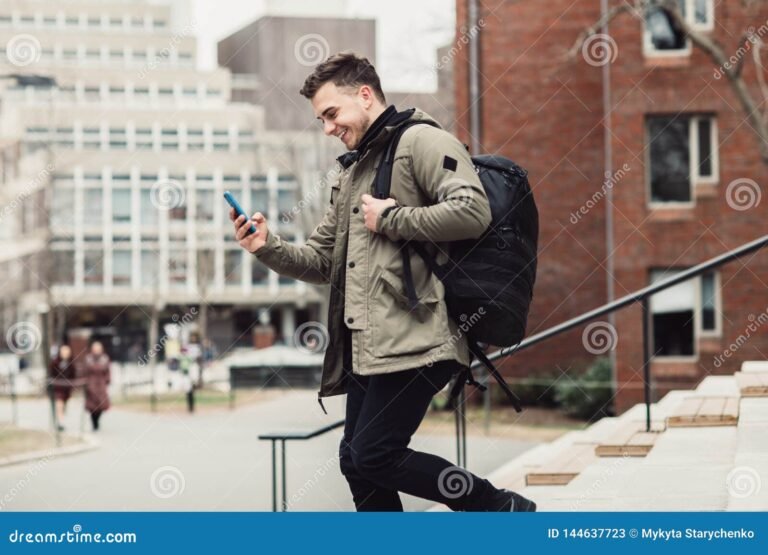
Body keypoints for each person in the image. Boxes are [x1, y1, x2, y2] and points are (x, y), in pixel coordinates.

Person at [230, 52, 536, 512]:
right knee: (356, 461)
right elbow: (321, 261)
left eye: (331, 113)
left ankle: (498, 506)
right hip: (370, 345)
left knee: (375, 453)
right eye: (321, 119)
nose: (327, 128)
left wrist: (393, 218)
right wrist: (266, 246)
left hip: (420, 335)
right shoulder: (352, 170)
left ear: (365, 95)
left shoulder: (422, 141)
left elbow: (472, 210)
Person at [83, 341, 111, 432]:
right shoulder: (88, 359)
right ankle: (94, 422)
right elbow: (85, 372)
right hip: (91, 384)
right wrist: (85, 382)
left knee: (101, 405)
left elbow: (108, 371)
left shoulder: (105, 358)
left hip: (101, 384)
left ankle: (97, 419)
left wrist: (107, 380)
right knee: (92, 406)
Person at [48, 345, 76, 432]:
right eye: (63, 352)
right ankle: (61, 422)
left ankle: (61, 418)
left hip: (67, 389)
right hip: (58, 388)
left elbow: (73, 376)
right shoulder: (55, 363)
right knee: (59, 404)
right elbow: (51, 374)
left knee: (64, 406)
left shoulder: (71, 363)